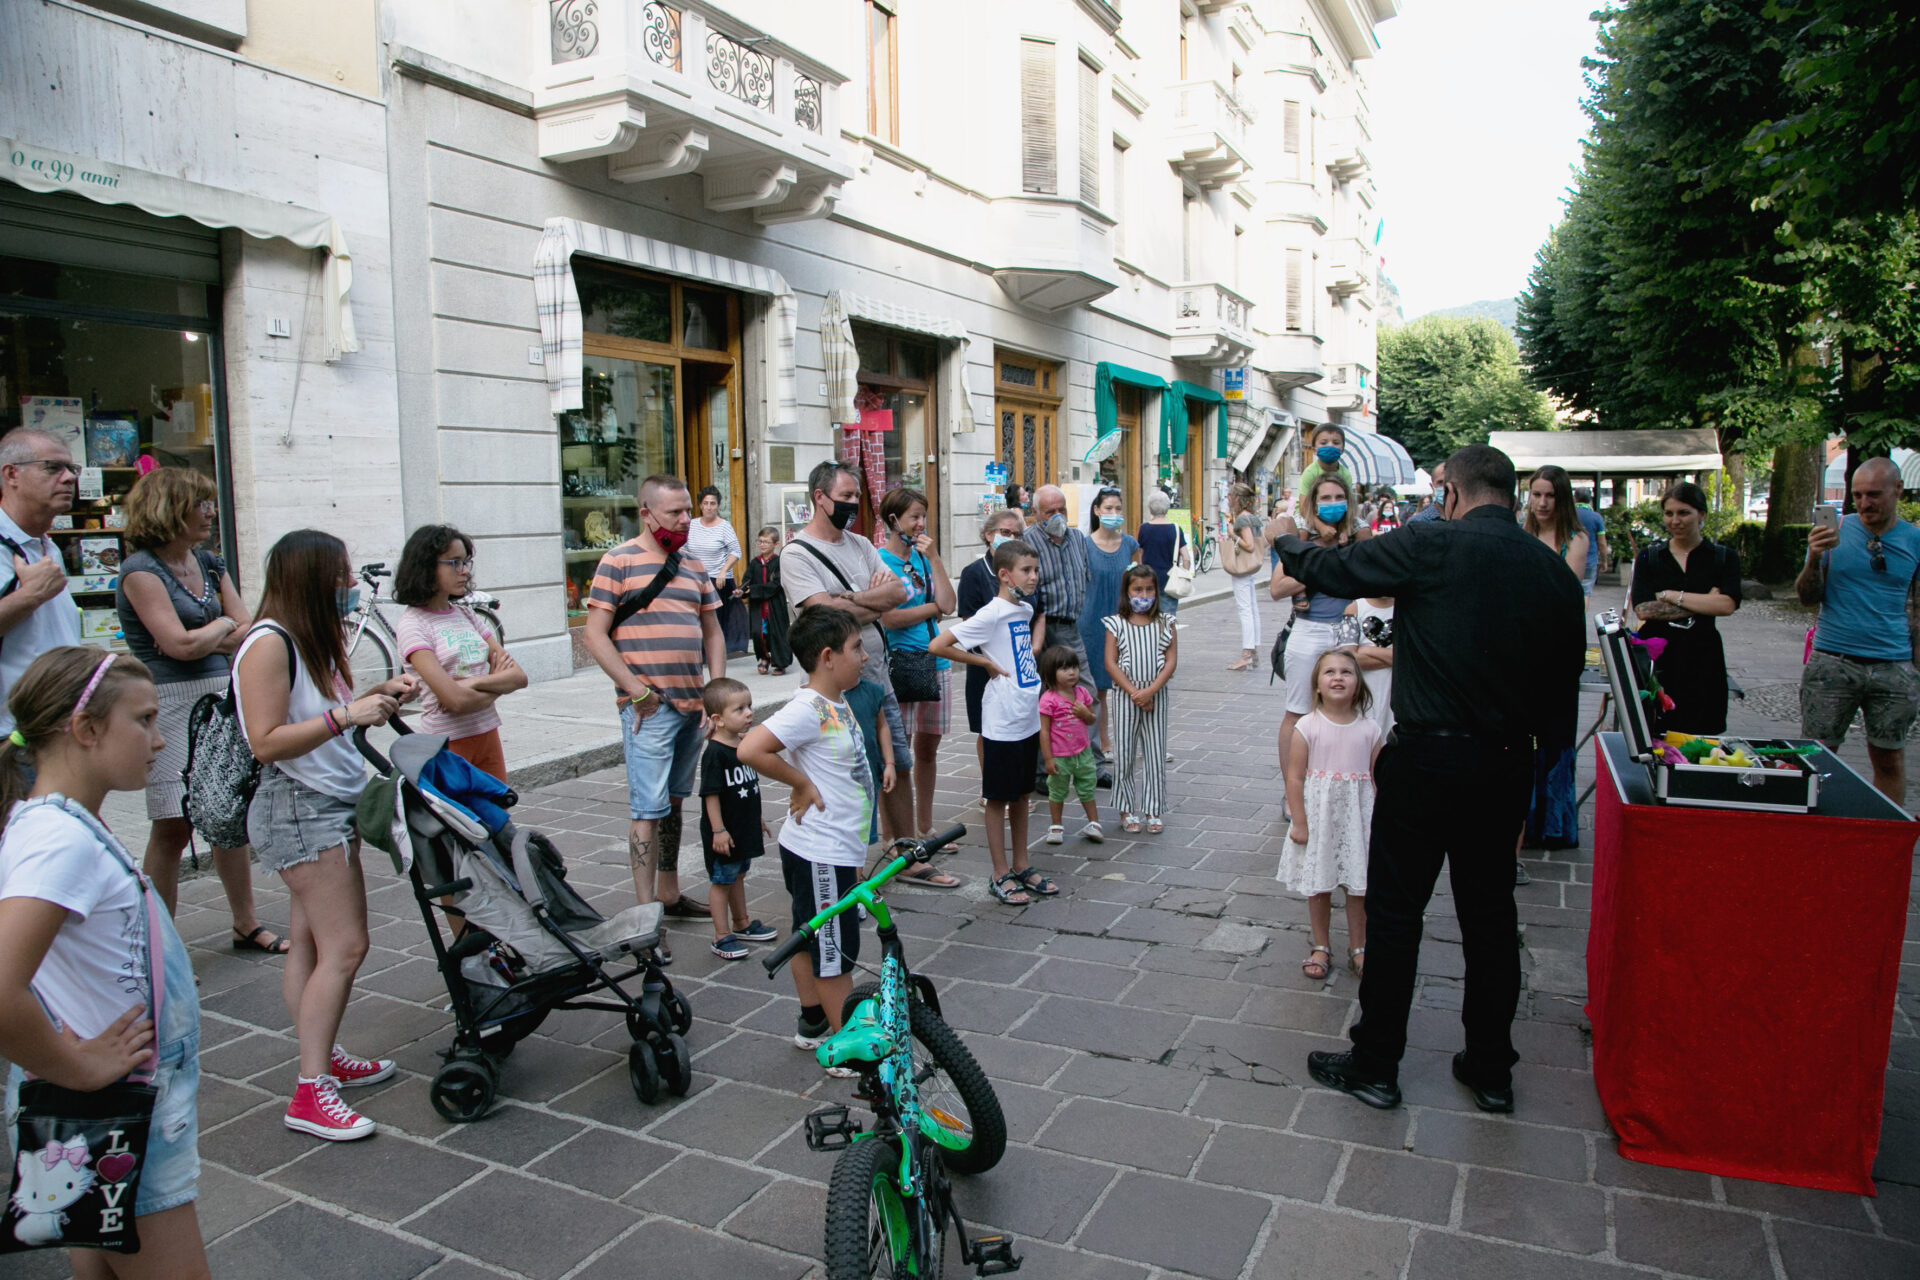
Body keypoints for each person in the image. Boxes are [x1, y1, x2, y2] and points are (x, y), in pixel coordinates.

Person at [1269, 443, 1585, 1115]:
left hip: (1426, 759)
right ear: (1512, 495)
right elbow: (1564, 691)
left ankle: (1377, 1064)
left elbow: (1335, 568)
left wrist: (1287, 540)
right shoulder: (1551, 571)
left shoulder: (1431, 542)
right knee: (1491, 917)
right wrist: (1531, 767)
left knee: (1395, 913)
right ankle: (1491, 1069)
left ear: (1452, 494)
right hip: (1504, 763)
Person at [0, 648, 212, 1278]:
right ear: (86, 729)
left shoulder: (61, 824)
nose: (159, 739)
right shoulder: (58, 840)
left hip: (107, 1104)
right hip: (116, 1107)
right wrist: (79, 1067)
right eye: (144, 720)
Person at [234, 530, 421, 1141]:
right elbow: (265, 741)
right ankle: (311, 1091)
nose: (350, 584)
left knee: (312, 946)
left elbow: (311, 713)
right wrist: (346, 715)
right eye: (340, 574)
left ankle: (323, 1056)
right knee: (345, 947)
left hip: (322, 804)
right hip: (300, 809)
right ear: (310, 579)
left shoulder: (308, 639)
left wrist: (375, 697)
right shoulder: (269, 643)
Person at [115, 467, 276, 952]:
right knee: (173, 824)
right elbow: (178, 646)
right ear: (169, 510)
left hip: (220, 696)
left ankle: (245, 923)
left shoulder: (209, 562)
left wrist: (206, 634)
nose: (210, 512)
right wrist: (220, 626)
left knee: (227, 812)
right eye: (200, 504)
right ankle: (159, 947)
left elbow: (248, 628)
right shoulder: (141, 571)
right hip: (167, 703)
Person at [780, 463, 956, 889]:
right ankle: (849, 868)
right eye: (845, 496)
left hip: (878, 675)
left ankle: (906, 853)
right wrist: (871, 599)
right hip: (834, 687)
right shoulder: (796, 553)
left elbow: (897, 593)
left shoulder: (860, 543)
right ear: (819, 497)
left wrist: (853, 597)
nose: (854, 503)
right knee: (848, 773)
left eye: (857, 496)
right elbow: (823, 615)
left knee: (898, 763)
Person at [582, 475, 722, 948]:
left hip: (692, 705)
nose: (685, 520)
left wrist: (715, 693)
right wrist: (635, 691)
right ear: (646, 513)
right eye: (674, 513)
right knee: (647, 809)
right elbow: (594, 635)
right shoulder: (618, 561)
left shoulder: (694, 564)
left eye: (687, 511)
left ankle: (670, 892)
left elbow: (712, 631)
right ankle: (645, 920)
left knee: (675, 802)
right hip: (648, 709)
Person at [738, 607, 875, 1071]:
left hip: (828, 849)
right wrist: (799, 782)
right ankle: (845, 1047)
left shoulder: (834, 700)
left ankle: (813, 1021)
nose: (864, 656)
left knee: (809, 934)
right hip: (821, 852)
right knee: (834, 954)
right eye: (856, 648)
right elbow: (750, 748)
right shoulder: (807, 708)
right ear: (827, 657)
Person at [930, 540, 1057, 905]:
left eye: (1036, 570)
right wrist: (983, 662)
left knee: (1022, 794)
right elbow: (938, 645)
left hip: (1026, 716)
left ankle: (1021, 864)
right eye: (1026, 571)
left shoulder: (1024, 608)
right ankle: (1000, 872)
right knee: (998, 798)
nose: (1033, 577)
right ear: (1004, 575)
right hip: (1001, 719)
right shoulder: (992, 613)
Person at [1796, 456, 1920, 804]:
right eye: (1858, 495)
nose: (1865, 503)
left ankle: (1885, 830)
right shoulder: (1834, 531)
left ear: (1898, 489)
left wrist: (1915, 670)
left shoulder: (1914, 540)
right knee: (1816, 757)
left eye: (1874, 494)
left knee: (1889, 758)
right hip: (1833, 660)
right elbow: (1807, 598)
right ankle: (1813, 828)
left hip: (1892, 665)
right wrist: (1814, 558)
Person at [393, 524, 526, 781]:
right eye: (454, 563)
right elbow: (455, 701)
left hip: (487, 733)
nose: (464, 571)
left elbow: (519, 677)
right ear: (426, 566)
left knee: (497, 806)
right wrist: (495, 683)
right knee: (459, 809)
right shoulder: (413, 624)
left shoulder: (465, 614)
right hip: (448, 743)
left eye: (465, 562)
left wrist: (470, 684)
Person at [1280, 648, 1380, 983]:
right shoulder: (1307, 726)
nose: (1338, 678)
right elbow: (1295, 777)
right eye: (1330, 672)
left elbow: (1376, 779)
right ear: (1317, 686)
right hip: (1319, 819)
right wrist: (1299, 821)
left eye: (1346, 672)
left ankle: (1358, 946)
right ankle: (1321, 945)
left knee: (1358, 886)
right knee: (1319, 885)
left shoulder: (1370, 729)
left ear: (1358, 685)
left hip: (1356, 820)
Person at [1269, 474, 1370, 789]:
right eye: (1325, 499)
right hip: (1309, 631)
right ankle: (1292, 791)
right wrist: (1321, 564)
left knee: (1350, 713)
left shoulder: (1358, 542)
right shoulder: (1303, 547)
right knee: (1297, 712)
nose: (1333, 504)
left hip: (1350, 634)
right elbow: (1277, 589)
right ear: (1313, 506)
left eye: (1339, 498)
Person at [1629, 482, 1742, 734]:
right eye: (1669, 513)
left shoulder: (1723, 557)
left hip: (1703, 656)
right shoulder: (1649, 557)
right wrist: (1705, 602)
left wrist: (1670, 596)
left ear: (1701, 514)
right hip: (1659, 657)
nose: (1675, 520)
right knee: (1654, 731)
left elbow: (1727, 605)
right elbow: (1644, 609)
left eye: (1683, 513)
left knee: (1702, 732)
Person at [876, 487, 956, 839]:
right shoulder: (880, 561)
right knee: (898, 752)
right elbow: (890, 618)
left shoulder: (923, 558)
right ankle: (895, 833)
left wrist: (934, 559)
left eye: (923, 516)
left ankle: (924, 826)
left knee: (928, 749)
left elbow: (949, 604)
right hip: (902, 663)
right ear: (893, 520)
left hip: (936, 661)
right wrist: (932, 608)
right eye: (914, 516)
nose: (921, 523)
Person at [1520, 466, 1589, 856]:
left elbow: (1564, 589)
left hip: (1559, 647)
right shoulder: (1521, 532)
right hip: (1524, 646)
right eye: (1537, 494)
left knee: (1556, 735)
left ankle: (1554, 823)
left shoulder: (1575, 538)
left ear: (1562, 499)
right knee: (1523, 736)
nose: (1543, 503)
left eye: (1550, 495)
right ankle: (1524, 821)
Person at [0, 428, 83, 733]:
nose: (69, 478)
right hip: (12, 735)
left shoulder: (47, 546)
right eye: (52, 467)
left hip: (57, 726)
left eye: (72, 468)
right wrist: (31, 595)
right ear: (12, 474)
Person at [697, 677, 777, 961]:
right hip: (725, 833)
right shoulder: (715, 754)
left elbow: (749, 788)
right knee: (722, 881)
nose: (749, 713)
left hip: (743, 829)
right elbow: (710, 795)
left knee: (738, 875)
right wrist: (718, 830)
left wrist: (757, 819)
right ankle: (721, 935)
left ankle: (741, 922)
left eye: (749, 706)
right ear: (717, 719)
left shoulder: (744, 747)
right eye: (739, 709)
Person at [1023, 486, 1100, 753]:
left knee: (1085, 691)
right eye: (1050, 511)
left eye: (1062, 509)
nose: (1058, 516)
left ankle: (1091, 759)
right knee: (1042, 696)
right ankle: (1044, 765)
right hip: (1039, 629)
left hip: (1069, 628)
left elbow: (1084, 577)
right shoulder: (1027, 542)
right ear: (1035, 513)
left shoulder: (1077, 538)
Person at [1103, 564, 1178, 834]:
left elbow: (1171, 661)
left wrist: (1151, 691)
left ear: (1157, 591)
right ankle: (1126, 809)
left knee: (1155, 753)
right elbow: (1110, 663)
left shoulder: (1166, 623)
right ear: (1127, 592)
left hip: (1156, 696)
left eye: (1149, 589)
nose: (1143, 595)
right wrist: (1136, 693)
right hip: (1126, 697)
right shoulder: (1116, 624)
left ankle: (1153, 810)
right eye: (1137, 590)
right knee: (1124, 754)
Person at [960, 509, 1026, 768]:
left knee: (1019, 724)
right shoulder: (974, 572)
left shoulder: (1023, 570)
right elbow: (969, 623)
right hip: (986, 662)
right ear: (988, 535)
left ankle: (1017, 781)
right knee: (989, 727)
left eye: (1017, 534)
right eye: (1005, 532)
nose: (1011, 538)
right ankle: (992, 783)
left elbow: (1036, 611)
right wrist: (989, 662)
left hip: (1019, 659)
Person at [1081, 487, 1140, 773]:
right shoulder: (1084, 545)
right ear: (1096, 510)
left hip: (1125, 623)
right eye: (1108, 509)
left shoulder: (1130, 544)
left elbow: (1140, 582)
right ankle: (1103, 743)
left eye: (1118, 509)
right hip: (1091, 622)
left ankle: (1134, 739)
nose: (1114, 514)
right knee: (1098, 689)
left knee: (1132, 683)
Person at [1037, 645, 1102, 845]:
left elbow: (1092, 719)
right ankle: (1056, 825)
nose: (1072, 672)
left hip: (1083, 752)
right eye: (1064, 668)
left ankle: (1094, 823)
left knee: (1087, 786)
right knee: (1057, 790)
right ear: (1051, 672)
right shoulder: (1048, 699)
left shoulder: (1082, 693)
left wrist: (1085, 713)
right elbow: (1044, 731)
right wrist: (1048, 759)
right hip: (1059, 755)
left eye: (1074, 667)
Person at [687, 486, 748, 657]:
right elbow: (683, 549)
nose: (709, 507)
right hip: (696, 578)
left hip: (718, 580)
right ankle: (699, 653)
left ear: (718, 506)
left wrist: (723, 571)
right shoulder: (691, 525)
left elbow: (736, 552)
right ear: (700, 505)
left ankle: (716, 653)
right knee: (695, 616)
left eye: (712, 503)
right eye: (705, 503)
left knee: (715, 619)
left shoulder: (724, 527)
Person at [1219, 482, 1268, 671]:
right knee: (1252, 608)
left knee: (1245, 609)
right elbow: (1261, 542)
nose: (1228, 499)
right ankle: (1253, 650)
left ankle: (1247, 653)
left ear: (1237, 498)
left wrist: (1233, 535)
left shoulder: (1242, 519)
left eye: (1230, 495)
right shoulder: (1253, 518)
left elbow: (1249, 545)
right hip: (1251, 568)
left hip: (1242, 569)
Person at [743, 525, 791, 675]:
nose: (762, 544)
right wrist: (742, 590)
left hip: (774, 605)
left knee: (777, 633)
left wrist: (754, 590)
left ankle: (780, 663)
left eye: (766, 542)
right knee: (758, 633)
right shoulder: (755, 563)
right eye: (760, 541)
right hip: (758, 606)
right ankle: (764, 657)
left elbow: (776, 584)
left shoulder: (778, 562)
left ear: (776, 544)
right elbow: (747, 580)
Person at [1352, 595, 1396, 738]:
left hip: (1394, 692)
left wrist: (1367, 650)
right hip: (1364, 691)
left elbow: (1411, 657)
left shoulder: (1407, 609)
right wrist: (1393, 657)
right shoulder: (1354, 608)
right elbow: (1350, 658)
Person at [1295, 425, 1356, 503]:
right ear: (1314, 450)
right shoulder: (1310, 473)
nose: (1330, 445)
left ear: (1342, 450)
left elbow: (1348, 502)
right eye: (1323, 443)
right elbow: (1304, 505)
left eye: (1336, 443)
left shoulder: (1345, 474)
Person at [1574, 489, 1609, 595]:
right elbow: (1602, 543)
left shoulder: (1568, 515)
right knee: (1586, 592)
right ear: (1590, 500)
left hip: (1569, 559)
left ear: (1575, 498)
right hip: (1590, 560)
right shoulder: (1596, 517)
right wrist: (1604, 560)